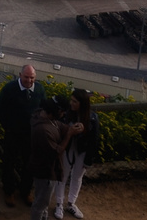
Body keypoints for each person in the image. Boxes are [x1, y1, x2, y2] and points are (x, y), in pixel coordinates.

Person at [0, 65, 45, 207]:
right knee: (9, 163)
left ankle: (25, 191)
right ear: (20, 75)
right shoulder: (9, 88)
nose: (29, 80)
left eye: (32, 78)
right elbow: (0, 109)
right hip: (13, 134)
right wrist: (8, 127)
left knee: (29, 164)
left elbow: (43, 110)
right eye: (26, 77)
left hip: (30, 135)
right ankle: (9, 191)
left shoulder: (39, 89)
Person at [56, 90, 98, 219]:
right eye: (71, 100)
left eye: (75, 101)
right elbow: (58, 130)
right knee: (62, 176)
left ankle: (71, 203)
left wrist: (89, 159)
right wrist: (70, 131)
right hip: (68, 148)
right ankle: (59, 203)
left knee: (77, 177)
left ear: (82, 103)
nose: (71, 103)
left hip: (82, 150)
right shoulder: (66, 115)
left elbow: (94, 139)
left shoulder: (92, 117)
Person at [27, 98, 72, 220]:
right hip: (45, 171)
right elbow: (56, 152)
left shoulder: (45, 118)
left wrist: (70, 129)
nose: (63, 115)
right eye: (62, 112)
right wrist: (68, 135)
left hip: (43, 169)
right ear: (54, 111)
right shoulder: (42, 129)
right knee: (40, 204)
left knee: (43, 201)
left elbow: (60, 126)